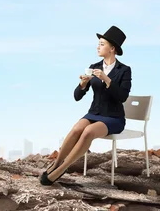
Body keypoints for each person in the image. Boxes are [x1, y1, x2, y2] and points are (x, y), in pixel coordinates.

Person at [40, 26, 132, 186]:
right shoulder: (94, 66)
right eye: (98, 43)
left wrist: (107, 80)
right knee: (76, 129)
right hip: (94, 113)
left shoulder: (124, 70)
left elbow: (122, 97)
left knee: (88, 131)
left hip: (113, 117)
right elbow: (77, 97)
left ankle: (62, 169)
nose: (98, 46)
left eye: (102, 44)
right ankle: (56, 164)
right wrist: (82, 85)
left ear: (112, 48)